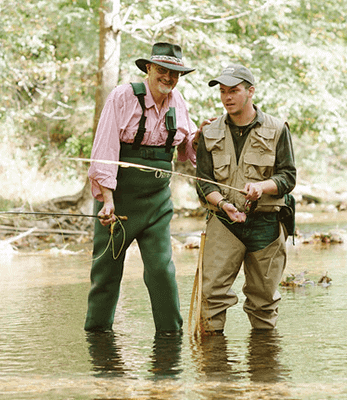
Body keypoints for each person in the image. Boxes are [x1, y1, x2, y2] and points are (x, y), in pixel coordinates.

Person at [85, 42, 199, 335]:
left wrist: (200, 138)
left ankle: (170, 341)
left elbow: (187, 148)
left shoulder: (178, 101)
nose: (169, 78)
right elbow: (104, 149)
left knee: (162, 270)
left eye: (175, 73)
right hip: (117, 203)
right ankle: (98, 341)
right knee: (106, 274)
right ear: (148, 69)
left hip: (158, 204)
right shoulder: (122, 97)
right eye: (162, 70)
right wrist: (106, 200)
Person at [196, 64, 296, 334]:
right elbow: (203, 182)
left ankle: (264, 368)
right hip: (223, 222)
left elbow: (288, 177)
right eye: (223, 92)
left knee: (263, 303)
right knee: (212, 297)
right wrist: (223, 204)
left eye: (234, 91)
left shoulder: (277, 129)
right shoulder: (208, 132)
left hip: (266, 224)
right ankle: (214, 370)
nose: (227, 97)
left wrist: (262, 187)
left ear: (250, 91)